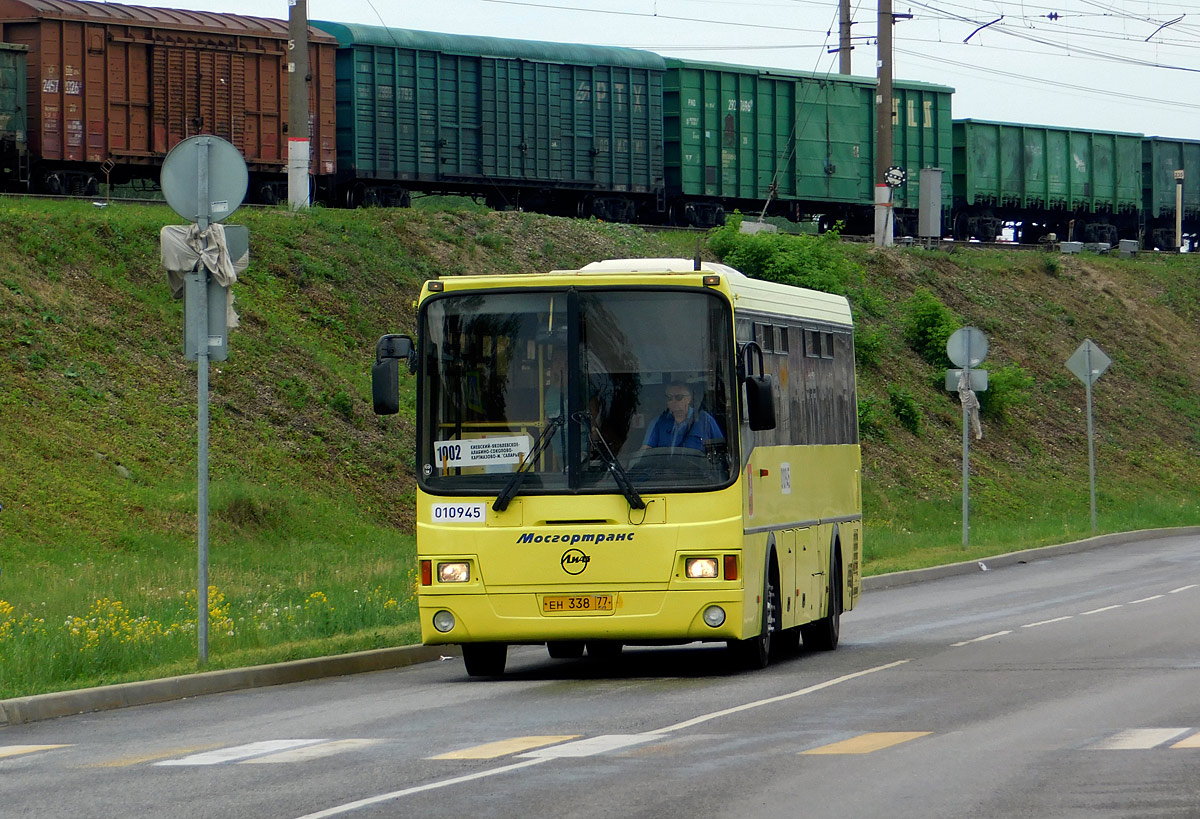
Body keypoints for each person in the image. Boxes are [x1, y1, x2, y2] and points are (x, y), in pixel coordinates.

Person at [642, 380, 723, 452]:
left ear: (688, 399)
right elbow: (646, 450)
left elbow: (720, 449)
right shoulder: (658, 422)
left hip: (697, 468)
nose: (673, 401)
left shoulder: (705, 420)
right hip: (665, 468)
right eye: (670, 398)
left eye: (678, 397)